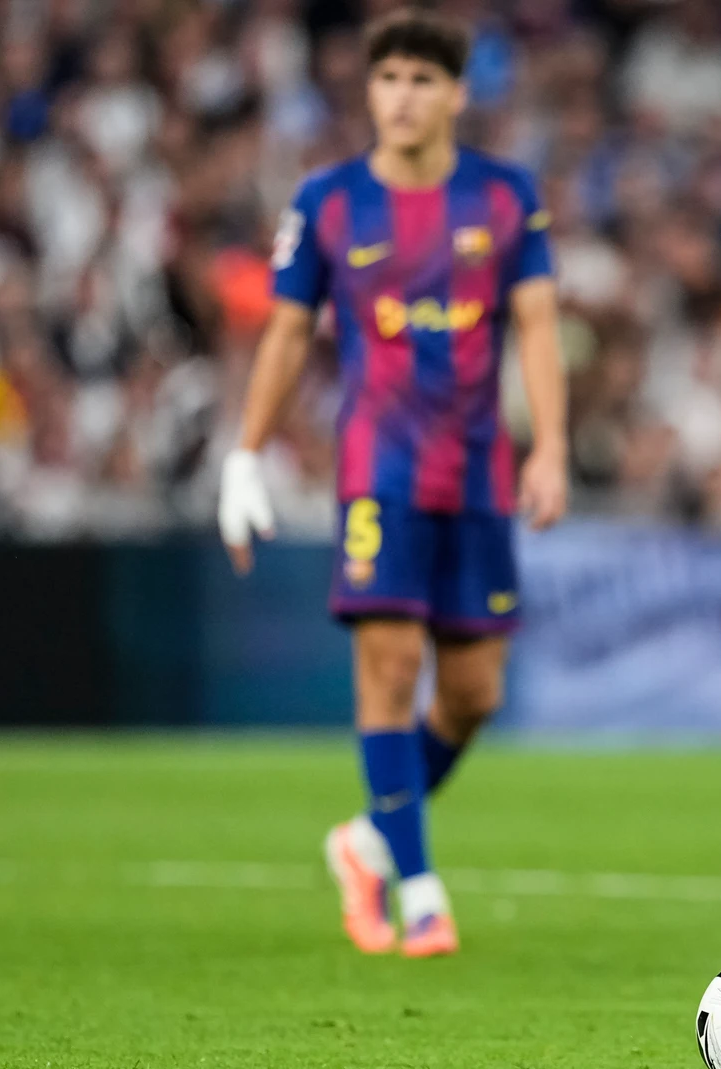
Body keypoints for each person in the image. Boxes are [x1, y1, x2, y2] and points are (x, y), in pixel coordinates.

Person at [216, 9, 568, 960]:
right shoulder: (329, 200)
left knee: (473, 693)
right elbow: (288, 331)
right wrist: (245, 454)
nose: (401, 96)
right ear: (368, 92)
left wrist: (552, 447)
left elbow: (536, 324)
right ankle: (418, 889)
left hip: (481, 469)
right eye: (387, 79)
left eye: (421, 79)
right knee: (388, 663)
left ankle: (365, 839)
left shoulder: (502, 197)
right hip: (379, 468)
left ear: (456, 93)